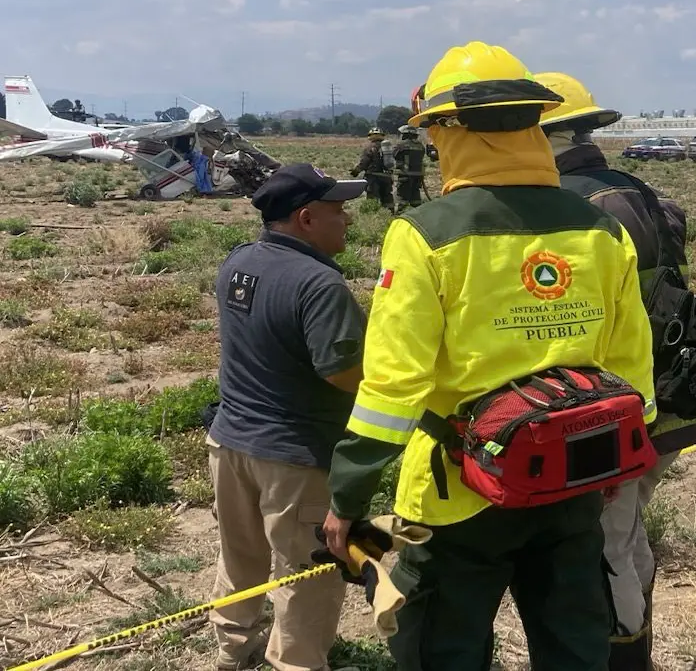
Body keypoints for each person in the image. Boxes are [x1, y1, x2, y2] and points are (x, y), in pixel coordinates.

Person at [320, 41, 657, 670]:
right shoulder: (600, 232)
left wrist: (347, 498)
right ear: (533, 123)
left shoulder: (422, 234)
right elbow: (633, 368)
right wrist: (614, 466)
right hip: (573, 483)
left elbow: (394, 387)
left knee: (444, 650)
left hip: (459, 493)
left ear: (448, 131)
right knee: (574, 646)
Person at [535, 70, 691, 670]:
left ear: (546, 135)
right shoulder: (634, 188)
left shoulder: (568, 205)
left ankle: (622, 654)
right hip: (663, 387)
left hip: (612, 403)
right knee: (623, 532)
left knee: (609, 542)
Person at [207, 163, 368, 671]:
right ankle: (297, 664)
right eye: (337, 210)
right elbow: (342, 370)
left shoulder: (237, 262)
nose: (346, 219)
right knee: (307, 573)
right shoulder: (320, 284)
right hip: (295, 458)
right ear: (305, 218)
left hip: (230, 442)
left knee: (241, 557)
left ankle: (233, 649)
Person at [352, 127, 394, 211]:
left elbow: (364, 162)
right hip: (386, 177)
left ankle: (372, 214)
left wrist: (356, 171)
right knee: (387, 196)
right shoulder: (387, 147)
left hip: (373, 178)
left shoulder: (369, 147)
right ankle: (390, 213)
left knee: (372, 198)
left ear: (370, 136)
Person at [392, 124, 426, 210]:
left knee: (402, 198)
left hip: (405, 175)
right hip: (418, 175)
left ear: (406, 134)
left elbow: (394, 154)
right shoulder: (420, 146)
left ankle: (399, 214)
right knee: (415, 197)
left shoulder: (402, 145)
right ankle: (418, 214)